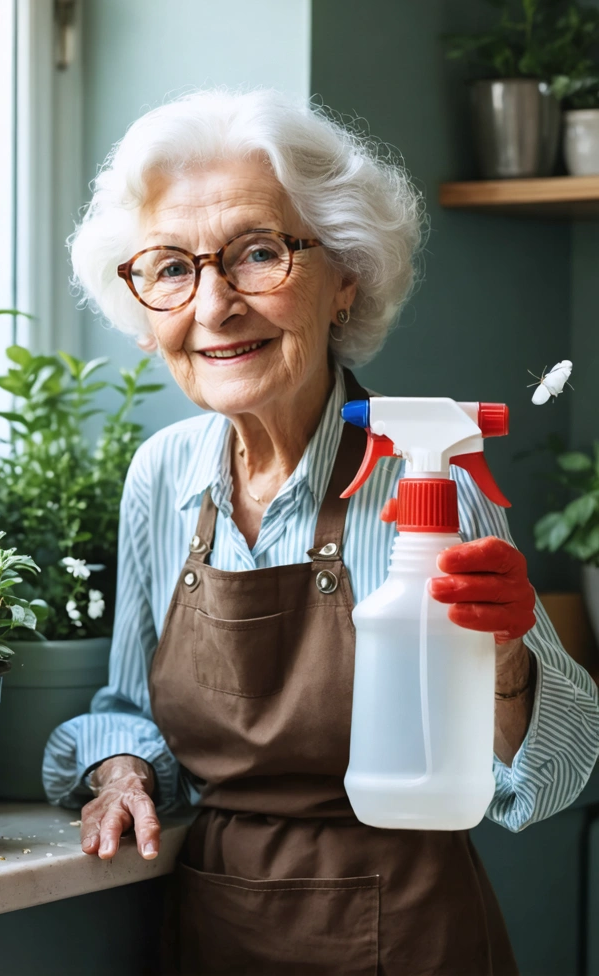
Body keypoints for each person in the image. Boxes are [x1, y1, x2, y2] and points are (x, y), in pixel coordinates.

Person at [42, 88, 599, 975]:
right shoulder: (162, 475)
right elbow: (129, 711)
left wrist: (504, 663)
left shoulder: (430, 466)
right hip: (212, 927)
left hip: (412, 936)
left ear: (345, 277)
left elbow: (553, 777)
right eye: (172, 267)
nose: (215, 306)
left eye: (259, 254)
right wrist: (122, 773)